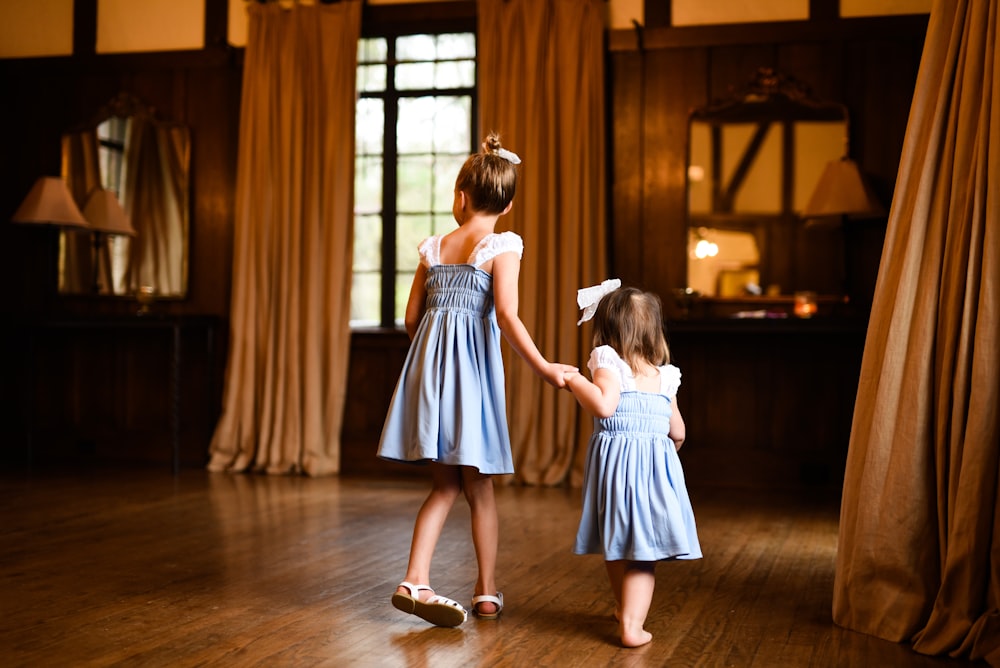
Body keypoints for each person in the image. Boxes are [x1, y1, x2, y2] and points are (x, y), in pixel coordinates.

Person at [377, 133, 576, 628]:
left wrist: (433, 355)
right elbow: (506, 316)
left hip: (429, 372)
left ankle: (414, 578)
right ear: (506, 205)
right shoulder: (502, 245)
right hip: (473, 379)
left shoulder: (435, 246)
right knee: (479, 488)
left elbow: (410, 319)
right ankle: (486, 593)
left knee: (443, 486)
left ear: (461, 197)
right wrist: (545, 367)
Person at [563, 283, 701, 648]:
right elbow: (679, 432)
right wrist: (662, 455)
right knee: (643, 553)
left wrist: (575, 378)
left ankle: (627, 615)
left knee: (619, 541)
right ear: (653, 331)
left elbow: (604, 406)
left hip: (616, 470)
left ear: (608, 329)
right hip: (654, 471)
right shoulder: (664, 376)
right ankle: (632, 623)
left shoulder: (607, 361)